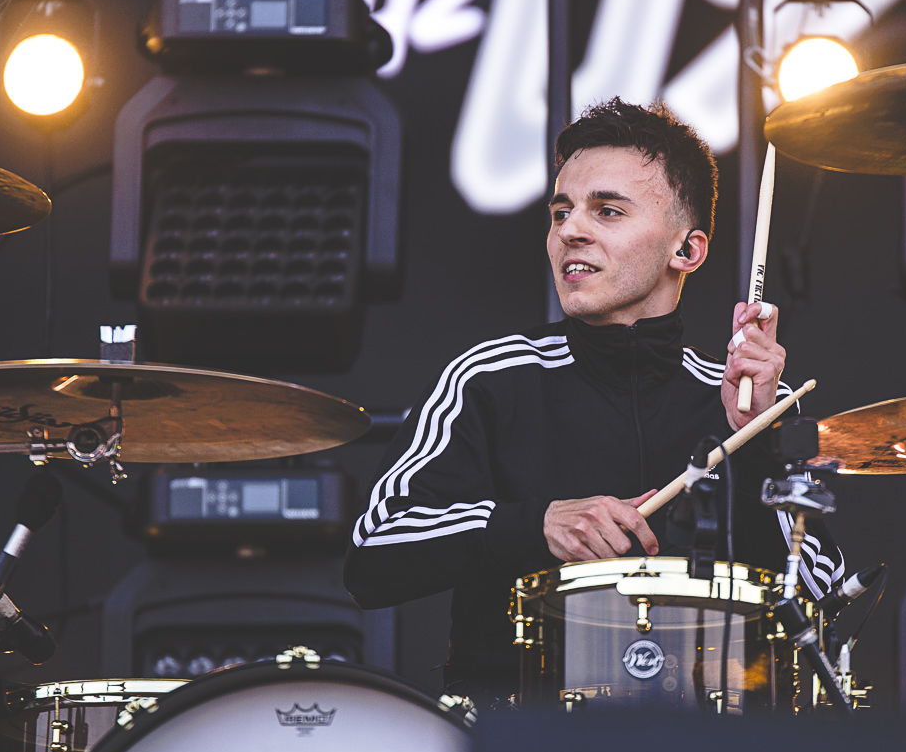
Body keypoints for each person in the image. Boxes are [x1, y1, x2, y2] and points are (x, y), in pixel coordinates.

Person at [344, 99, 844, 701]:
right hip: (522, 739)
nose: (569, 231)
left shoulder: (758, 400)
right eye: (561, 212)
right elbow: (373, 554)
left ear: (686, 251)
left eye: (607, 210)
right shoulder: (490, 379)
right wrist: (535, 524)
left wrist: (758, 444)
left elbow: (826, 596)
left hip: (715, 742)